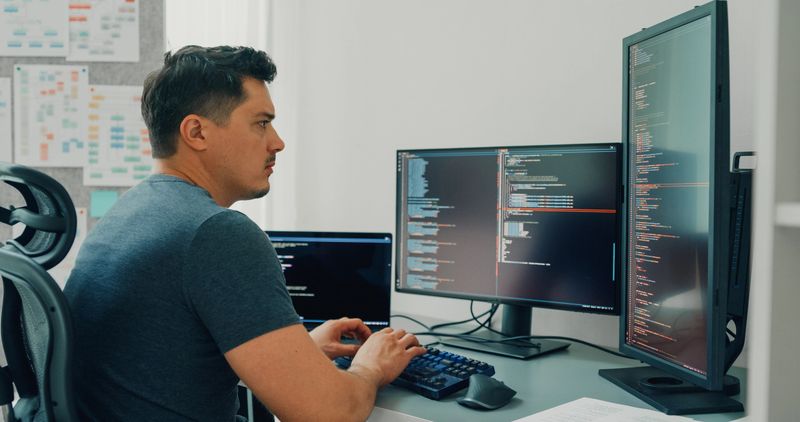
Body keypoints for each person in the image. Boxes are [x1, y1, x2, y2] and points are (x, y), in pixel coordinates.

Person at [64, 45, 427, 421]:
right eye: (261, 123)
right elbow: (328, 414)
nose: (277, 142)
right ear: (197, 132)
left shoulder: (130, 212)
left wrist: (295, 351)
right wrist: (370, 367)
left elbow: (162, 360)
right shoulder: (216, 233)